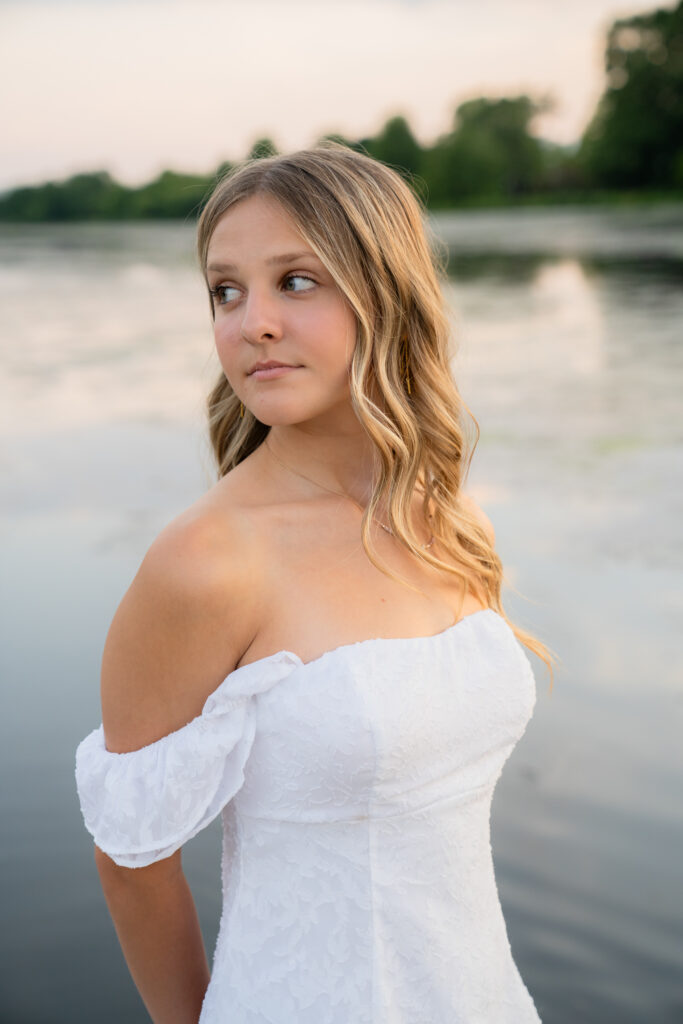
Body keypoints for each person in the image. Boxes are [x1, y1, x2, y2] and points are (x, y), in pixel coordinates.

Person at [75, 144, 554, 1023]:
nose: (251, 321)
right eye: (226, 290)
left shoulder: (446, 518)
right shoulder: (206, 562)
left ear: (387, 291)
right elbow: (131, 861)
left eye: (296, 281)